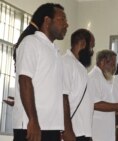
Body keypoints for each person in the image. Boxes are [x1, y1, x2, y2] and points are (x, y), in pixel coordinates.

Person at [13, 3, 68, 141]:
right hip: (31, 127)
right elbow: (24, 80)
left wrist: (62, 127)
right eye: (62, 19)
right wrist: (33, 120)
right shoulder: (31, 42)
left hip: (51, 127)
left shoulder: (55, 51)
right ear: (47, 21)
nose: (66, 25)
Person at [87, 50, 118, 141]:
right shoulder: (94, 78)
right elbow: (95, 104)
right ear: (103, 62)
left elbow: (108, 107)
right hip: (97, 132)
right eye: (113, 65)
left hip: (106, 133)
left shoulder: (104, 79)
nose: (114, 68)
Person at [61, 29, 95, 141]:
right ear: (82, 44)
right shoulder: (66, 63)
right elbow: (62, 97)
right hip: (72, 132)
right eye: (91, 47)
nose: (92, 51)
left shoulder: (80, 66)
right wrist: (67, 130)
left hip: (83, 131)